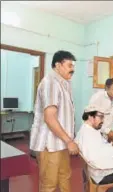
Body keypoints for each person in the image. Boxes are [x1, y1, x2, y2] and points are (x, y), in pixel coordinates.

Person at [30, 50, 79, 192]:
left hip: (62, 142)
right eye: (70, 65)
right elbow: (50, 118)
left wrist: (69, 140)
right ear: (58, 65)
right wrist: (70, 141)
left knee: (65, 177)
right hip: (50, 144)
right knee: (49, 184)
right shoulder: (50, 83)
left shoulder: (65, 84)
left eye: (73, 66)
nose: (73, 69)